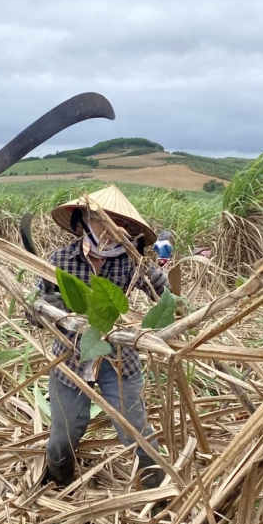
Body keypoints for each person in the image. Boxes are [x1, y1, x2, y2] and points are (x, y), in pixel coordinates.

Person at [37, 185, 169, 492]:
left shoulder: (133, 262)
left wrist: (163, 286)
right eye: (100, 220)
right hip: (70, 356)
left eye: (119, 223)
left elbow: (166, 302)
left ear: (131, 230)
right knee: (63, 436)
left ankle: (158, 495)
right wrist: (44, 309)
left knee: (135, 431)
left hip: (119, 357)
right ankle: (59, 485)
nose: (110, 229)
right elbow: (32, 309)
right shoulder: (60, 260)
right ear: (83, 221)